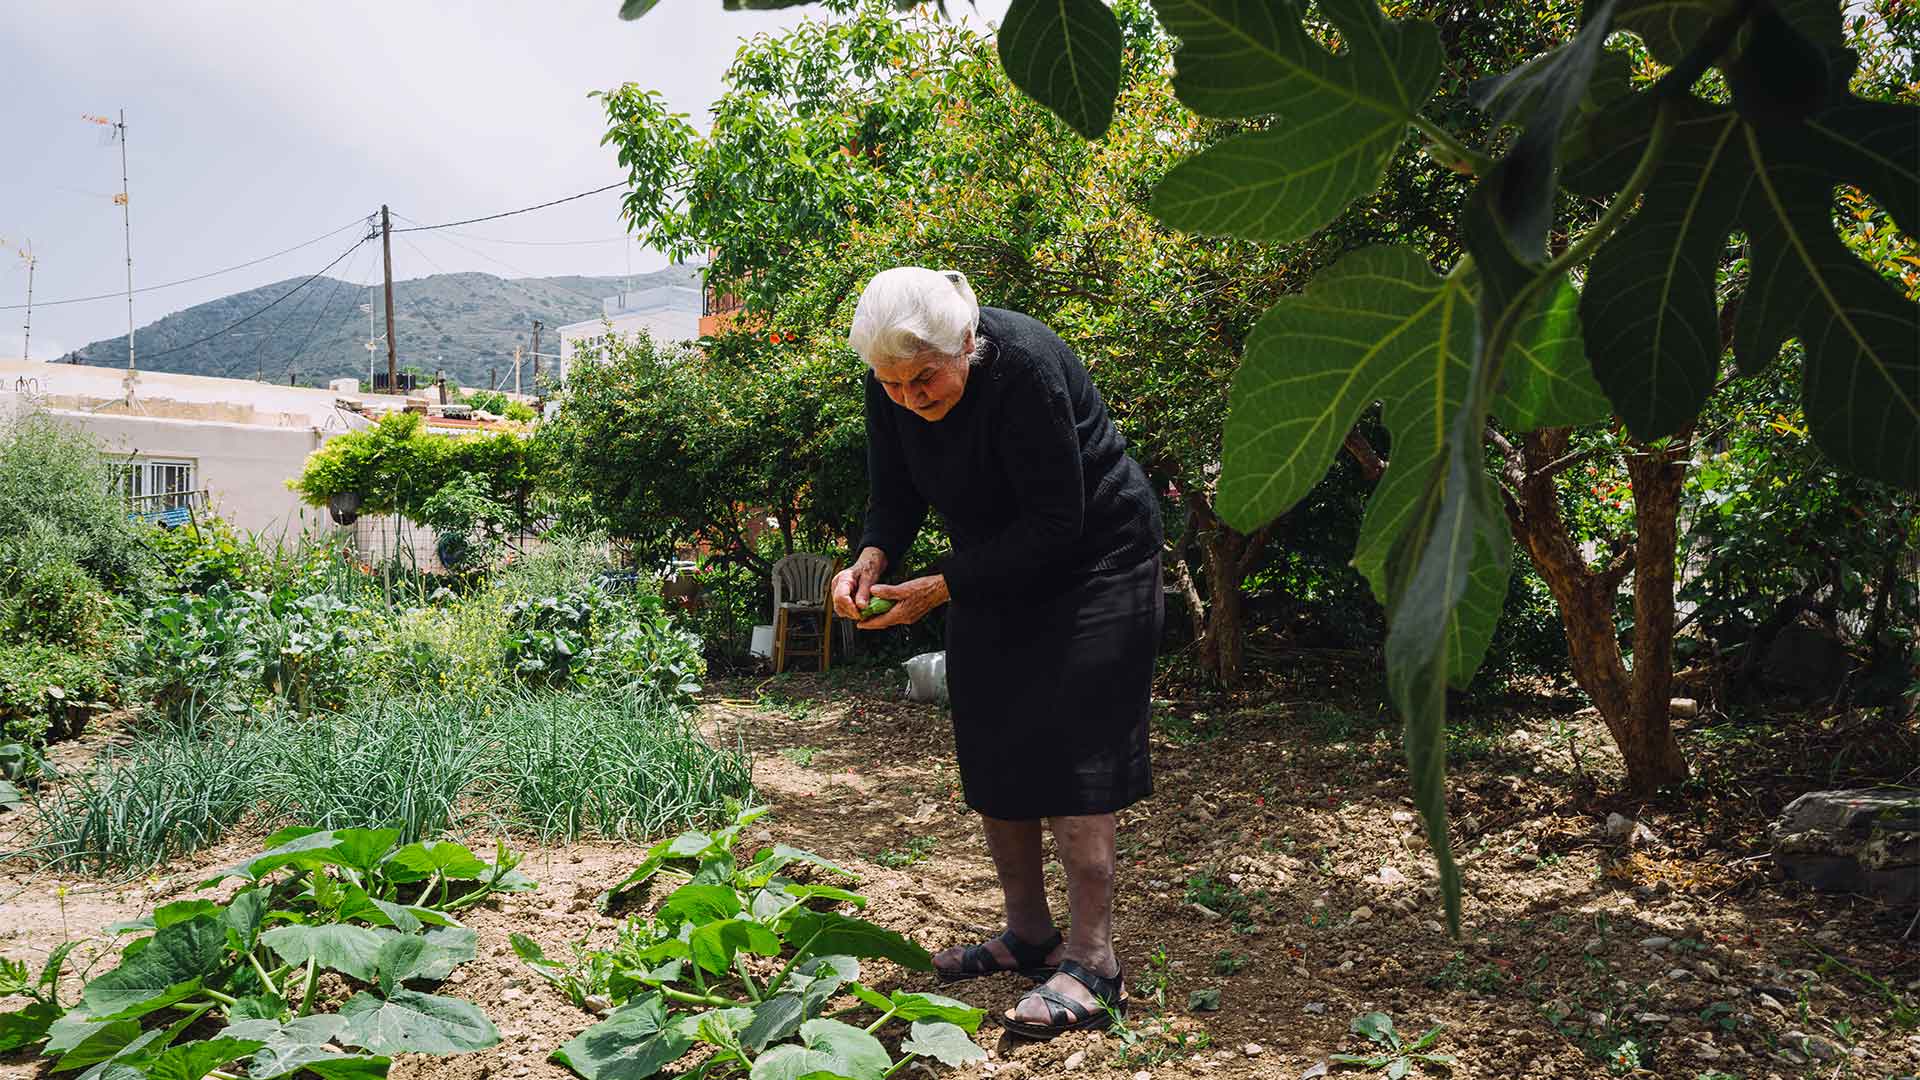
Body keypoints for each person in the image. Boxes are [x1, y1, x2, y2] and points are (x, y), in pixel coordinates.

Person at [830, 266, 1165, 1039]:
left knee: (1073, 755)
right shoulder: (892, 383)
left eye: (925, 379)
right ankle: (1029, 936)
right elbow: (895, 494)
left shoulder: (1027, 367)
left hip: (1097, 563)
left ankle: (1094, 962)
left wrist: (941, 585)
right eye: (891, 384)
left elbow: (1058, 521)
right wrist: (872, 558)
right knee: (992, 735)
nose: (911, 397)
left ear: (969, 344)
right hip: (992, 564)